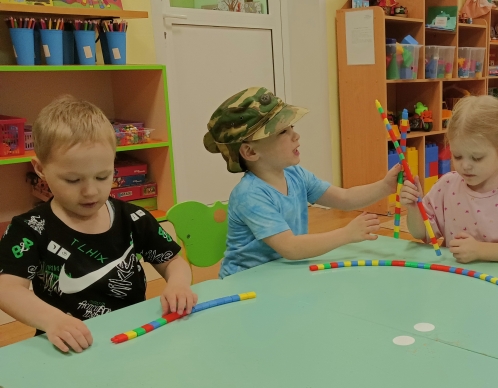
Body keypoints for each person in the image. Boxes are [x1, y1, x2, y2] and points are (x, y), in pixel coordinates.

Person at [0, 96, 197, 356]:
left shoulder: (133, 218)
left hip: (132, 337)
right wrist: (52, 320)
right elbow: (7, 288)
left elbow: (173, 261)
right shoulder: (30, 229)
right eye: (73, 180)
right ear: (40, 169)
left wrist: (178, 285)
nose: (90, 191)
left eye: (103, 176)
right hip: (69, 346)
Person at [204, 87, 402, 277]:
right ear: (250, 151)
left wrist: (385, 186)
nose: (295, 136)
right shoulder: (249, 194)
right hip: (246, 282)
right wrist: (346, 234)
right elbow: (290, 247)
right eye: (282, 132)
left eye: (291, 127)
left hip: (281, 274)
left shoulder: (295, 174)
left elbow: (345, 198)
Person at [399, 95, 498, 263]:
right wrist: (414, 207)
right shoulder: (447, 185)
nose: (465, 166)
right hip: (455, 275)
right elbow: (421, 233)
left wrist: (479, 250)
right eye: (457, 156)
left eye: (477, 158)